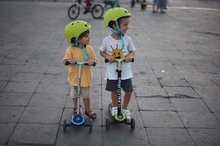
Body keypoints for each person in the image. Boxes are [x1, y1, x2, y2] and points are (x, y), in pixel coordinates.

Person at [99, 7, 136, 121]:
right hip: (112, 71)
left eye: (127, 24)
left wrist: (130, 56)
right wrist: (108, 57)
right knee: (114, 90)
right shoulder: (107, 40)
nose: (127, 27)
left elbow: (132, 50)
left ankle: (124, 108)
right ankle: (115, 107)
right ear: (115, 26)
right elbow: (101, 51)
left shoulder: (128, 39)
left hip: (125, 71)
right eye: (125, 25)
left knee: (129, 90)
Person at [63, 20, 97, 119]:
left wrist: (92, 61)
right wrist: (69, 61)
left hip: (85, 77)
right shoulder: (70, 50)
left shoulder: (89, 48)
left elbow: (95, 60)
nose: (88, 37)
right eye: (86, 36)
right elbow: (64, 61)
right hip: (74, 77)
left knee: (86, 95)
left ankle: (87, 110)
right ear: (77, 39)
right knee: (74, 95)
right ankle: (75, 107)